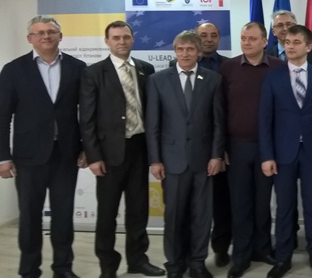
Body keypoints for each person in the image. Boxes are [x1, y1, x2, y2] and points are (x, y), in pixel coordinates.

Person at [0, 15, 87, 278]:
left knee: (63, 215)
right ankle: (29, 271)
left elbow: (87, 113)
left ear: (61, 36)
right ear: (30, 39)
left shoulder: (78, 67)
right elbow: (3, 116)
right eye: (39, 33)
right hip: (28, 157)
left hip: (66, 155)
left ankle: (63, 268)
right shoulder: (13, 70)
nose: (46, 36)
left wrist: (86, 148)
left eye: (51, 31)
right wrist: (3, 157)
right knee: (29, 217)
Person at [79, 21, 164, 278]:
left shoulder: (146, 69)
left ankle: (137, 260)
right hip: (108, 154)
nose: (121, 42)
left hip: (140, 149)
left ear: (133, 39)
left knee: (138, 211)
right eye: (115, 37)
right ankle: (108, 266)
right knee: (107, 214)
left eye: (126, 37)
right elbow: (87, 119)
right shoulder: (94, 72)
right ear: (107, 41)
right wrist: (93, 156)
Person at [146, 30, 225, 278]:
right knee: (174, 217)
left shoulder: (213, 79)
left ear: (199, 52)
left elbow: (218, 122)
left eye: (190, 49)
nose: (185, 53)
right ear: (175, 51)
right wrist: (155, 159)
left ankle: (198, 263)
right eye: (180, 49)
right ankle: (175, 263)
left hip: (203, 161)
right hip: (172, 161)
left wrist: (216, 155)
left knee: (202, 216)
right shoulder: (158, 80)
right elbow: (153, 124)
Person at [259, 25, 312, 278]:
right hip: (283, 153)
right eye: (287, 42)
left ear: (308, 46)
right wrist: (267, 155)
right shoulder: (273, 76)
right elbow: (265, 119)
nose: (290, 46)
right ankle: (283, 257)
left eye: (296, 42)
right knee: (284, 208)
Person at [219, 22, 281, 278]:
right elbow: (219, 110)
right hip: (236, 147)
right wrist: (221, 147)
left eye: (252, 39)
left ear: (265, 42)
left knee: (262, 203)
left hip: (268, 148)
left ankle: (263, 249)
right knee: (240, 204)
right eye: (244, 38)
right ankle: (241, 255)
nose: (246, 42)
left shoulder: (278, 67)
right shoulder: (228, 68)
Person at [170, 22, 232, 268]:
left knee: (220, 205)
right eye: (203, 35)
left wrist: (220, 150)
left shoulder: (228, 67)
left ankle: (220, 249)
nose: (208, 39)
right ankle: (183, 258)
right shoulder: (171, 70)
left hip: (216, 150)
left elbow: (223, 114)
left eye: (213, 35)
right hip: (183, 155)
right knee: (184, 210)